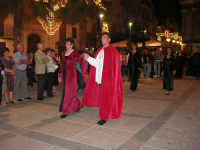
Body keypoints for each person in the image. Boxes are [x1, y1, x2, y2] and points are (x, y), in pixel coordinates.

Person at [82, 33, 123, 125]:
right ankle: (106, 114)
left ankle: (105, 117)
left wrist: (113, 81)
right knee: (103, 99)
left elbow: (115, 69)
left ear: (109, 39)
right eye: (102, 38)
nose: (102, 39)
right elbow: (97, 63)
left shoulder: (113, 51)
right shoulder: (100, 50)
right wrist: (88, 58)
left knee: (106, 99)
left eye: (105, 38)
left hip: (108, 80)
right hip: (100, 79)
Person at [59, 38, 87, 119]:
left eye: (68, 43)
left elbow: (80, 61)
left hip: (71, 75)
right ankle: (77, 105)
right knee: (69, 92)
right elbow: (62, 64)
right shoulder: (64, 53)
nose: (66, 45)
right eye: (66, 43)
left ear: (72, 44)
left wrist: (84, 58)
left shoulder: (75, 53)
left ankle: (66, 110)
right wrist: (60, 75)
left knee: (68, 92)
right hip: (64, 74)